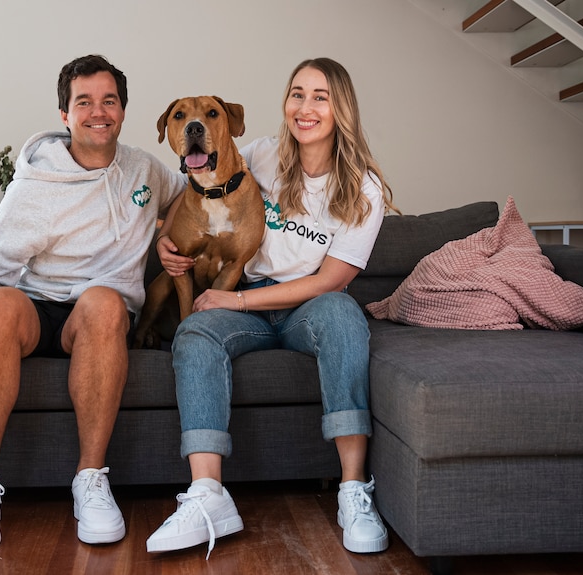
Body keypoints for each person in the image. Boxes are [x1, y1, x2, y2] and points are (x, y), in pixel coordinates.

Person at [146, 57, 399, 558]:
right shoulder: (259, 155)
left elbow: (332, 279)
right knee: (194, 332)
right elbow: (192, 186)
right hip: (247, 308)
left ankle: (352, 488)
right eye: (297, 94)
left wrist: (236, 297)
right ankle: (207, 494)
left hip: (306, 306)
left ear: (341, 109)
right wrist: (163, 242)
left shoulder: (363, 187)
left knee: (344, 312)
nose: (305, 107)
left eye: (320, 97)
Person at [0, 54, 186, 552]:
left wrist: (169, 233)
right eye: (84, 102)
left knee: (103, 301)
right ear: (65, 115)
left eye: (109, 100)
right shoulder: (33, 185)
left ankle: (90, 480)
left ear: (122, 109)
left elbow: (185, 194)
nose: (99, 112)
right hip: (37, 310)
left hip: (99, 318)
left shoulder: (144, 169)